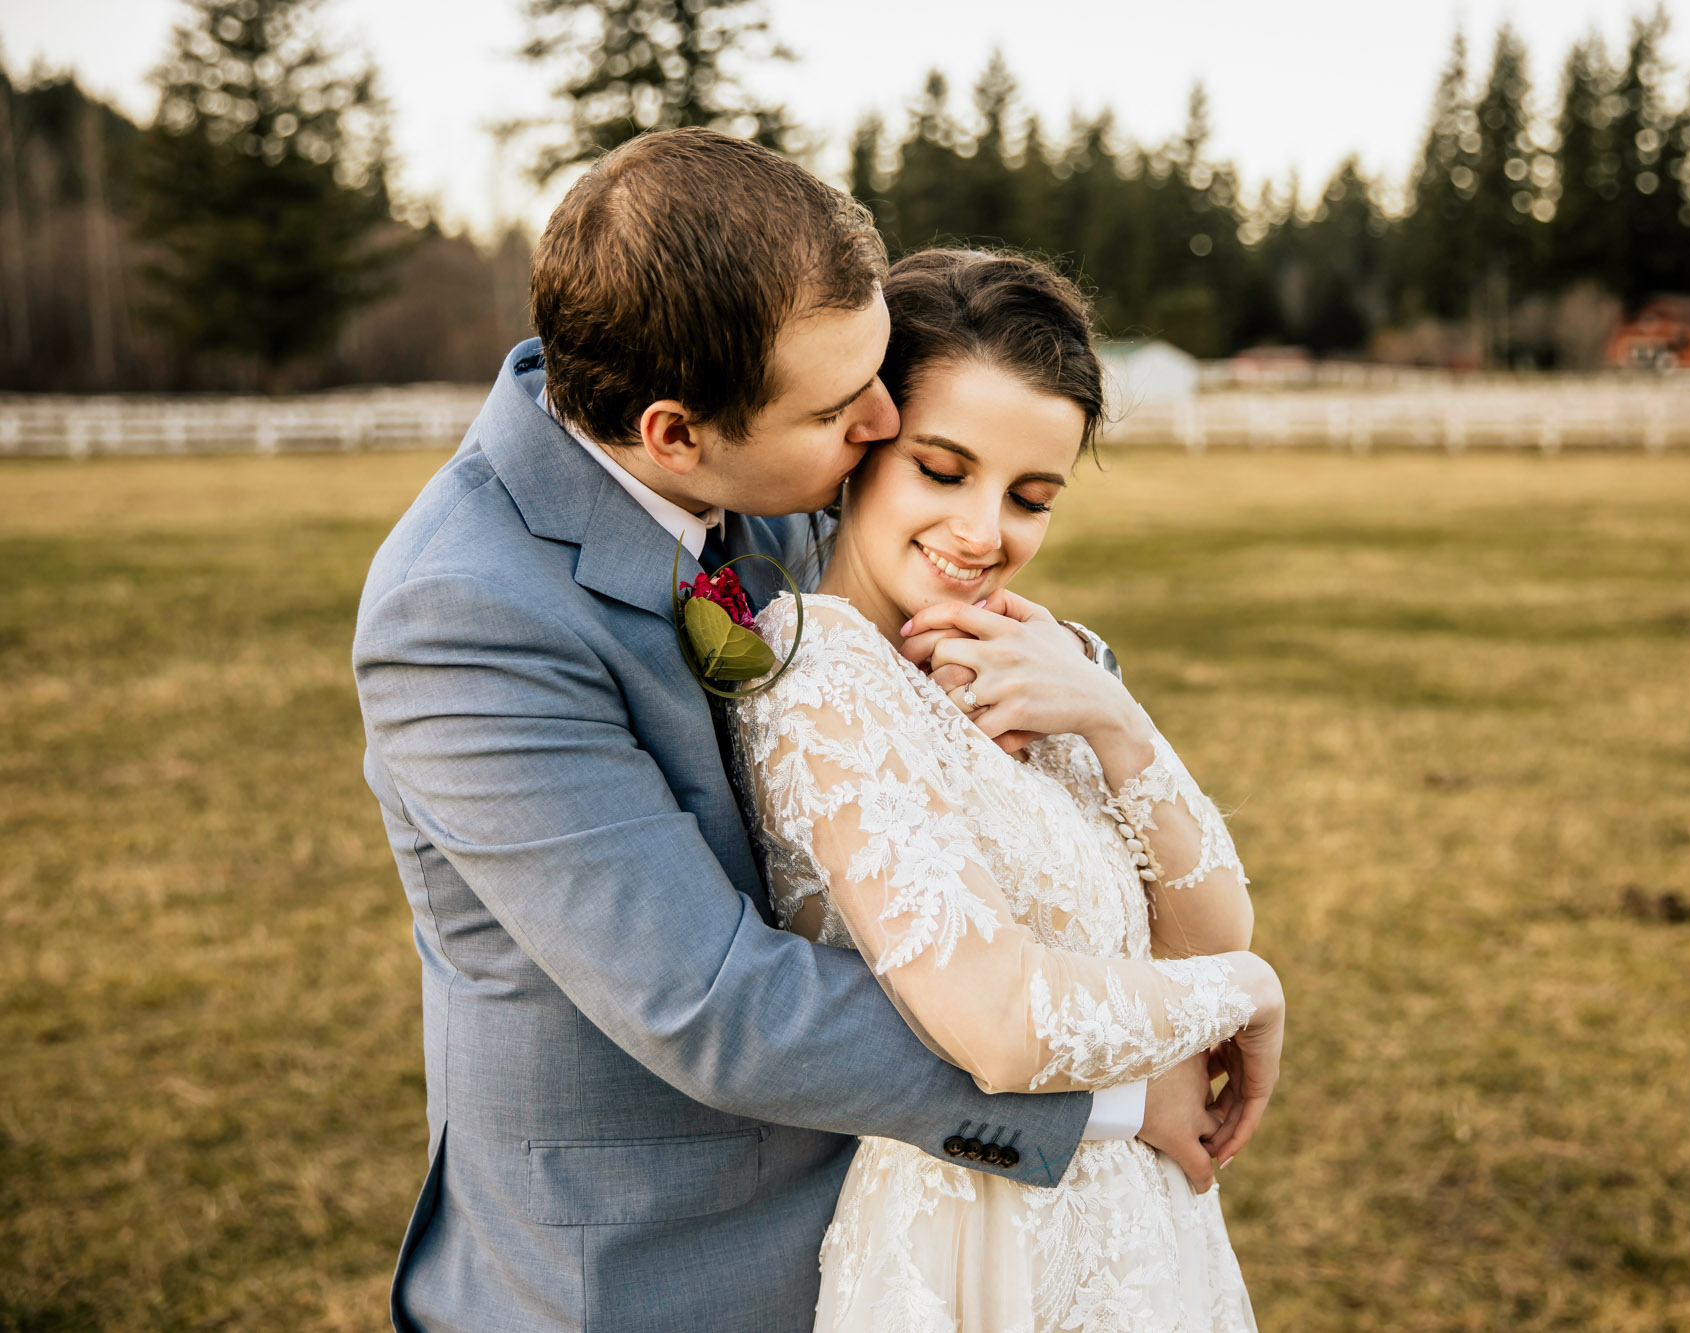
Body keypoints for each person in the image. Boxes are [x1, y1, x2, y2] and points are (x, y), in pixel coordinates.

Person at [351, 127, 1229, 1333]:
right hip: (642, 1273)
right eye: (839, 405)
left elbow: (919, 581)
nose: (879, 418)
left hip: (876, 1228)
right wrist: (1113, 1099)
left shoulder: (769, 466)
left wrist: (1088, 703)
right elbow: (712, 1002)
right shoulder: (462, 613)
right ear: (674, 432)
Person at [730, 248, 1285, 1332]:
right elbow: (999, 1022)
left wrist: (1111, 718)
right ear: (864, 440)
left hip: (1140, 1242)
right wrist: (1250, 993)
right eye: (943, 470)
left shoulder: (1035, 655)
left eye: (1030, 497)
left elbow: (1208, 925)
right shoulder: (818, 675)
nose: (986, 534)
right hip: (976, 1236)